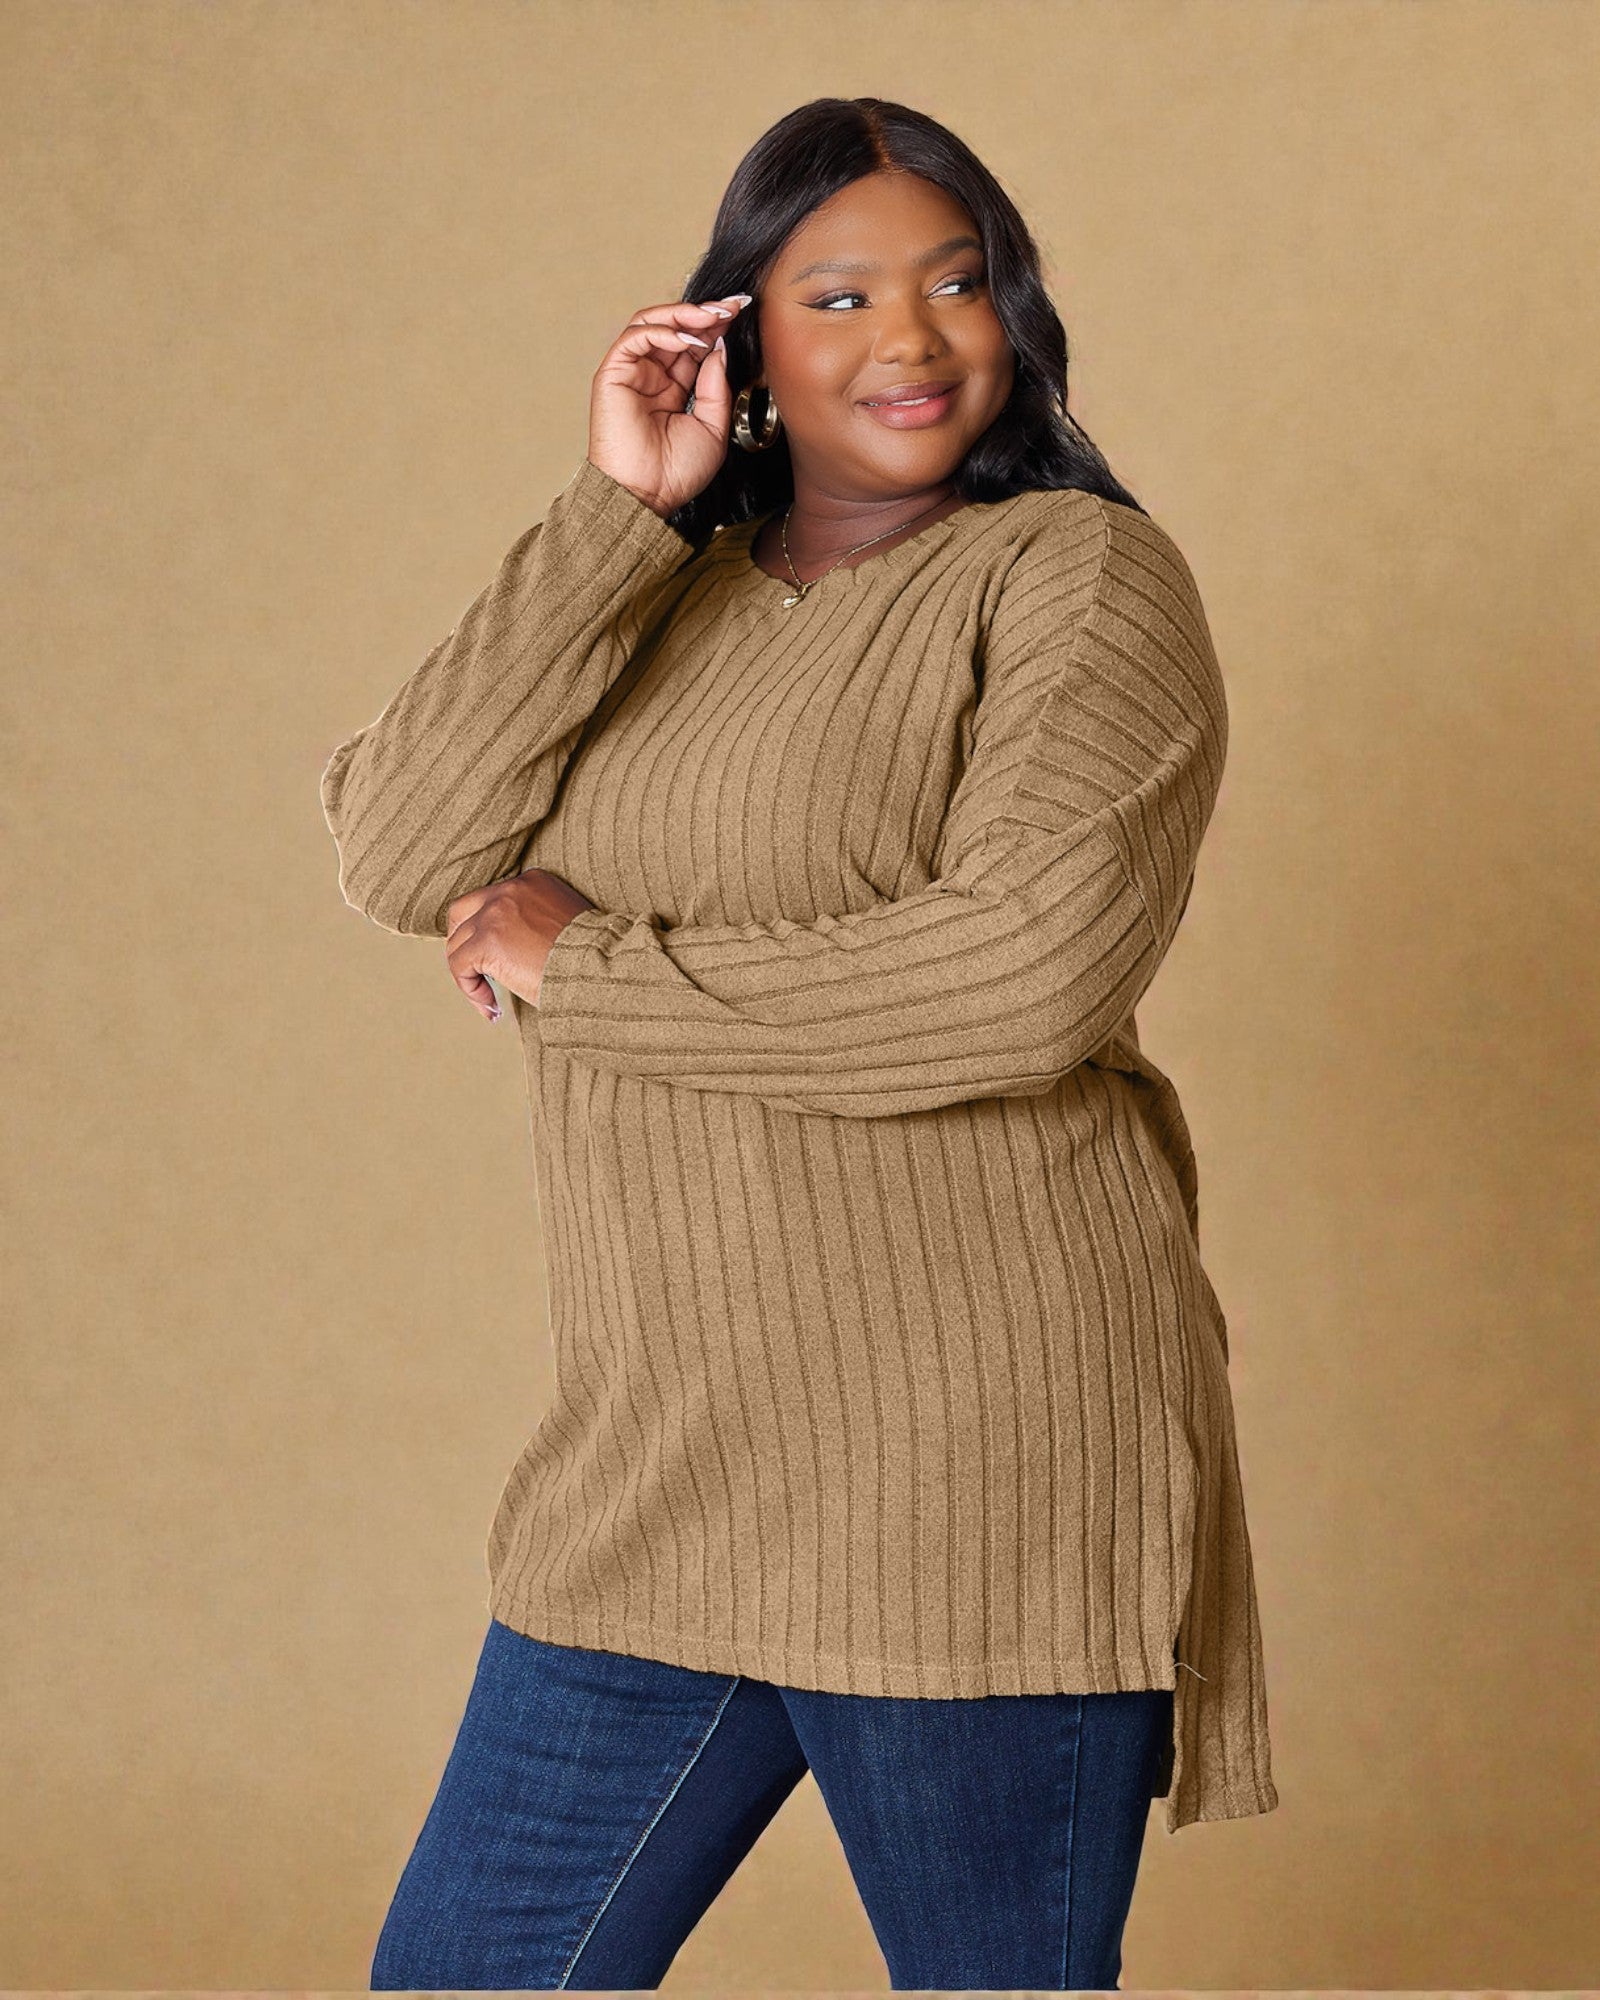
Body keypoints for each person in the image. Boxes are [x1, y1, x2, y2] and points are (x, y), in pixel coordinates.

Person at [320, 94, 1279, 1994]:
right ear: (740, 334)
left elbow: (1022, 972)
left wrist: (585, 970)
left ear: (1016, 315)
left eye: (957, 282)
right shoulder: (653, 598)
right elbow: (402, 850)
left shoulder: (1076, 581)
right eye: (836, 293)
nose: (911, 339)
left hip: (975, 1470)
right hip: (657, 1465)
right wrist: (618, 514)